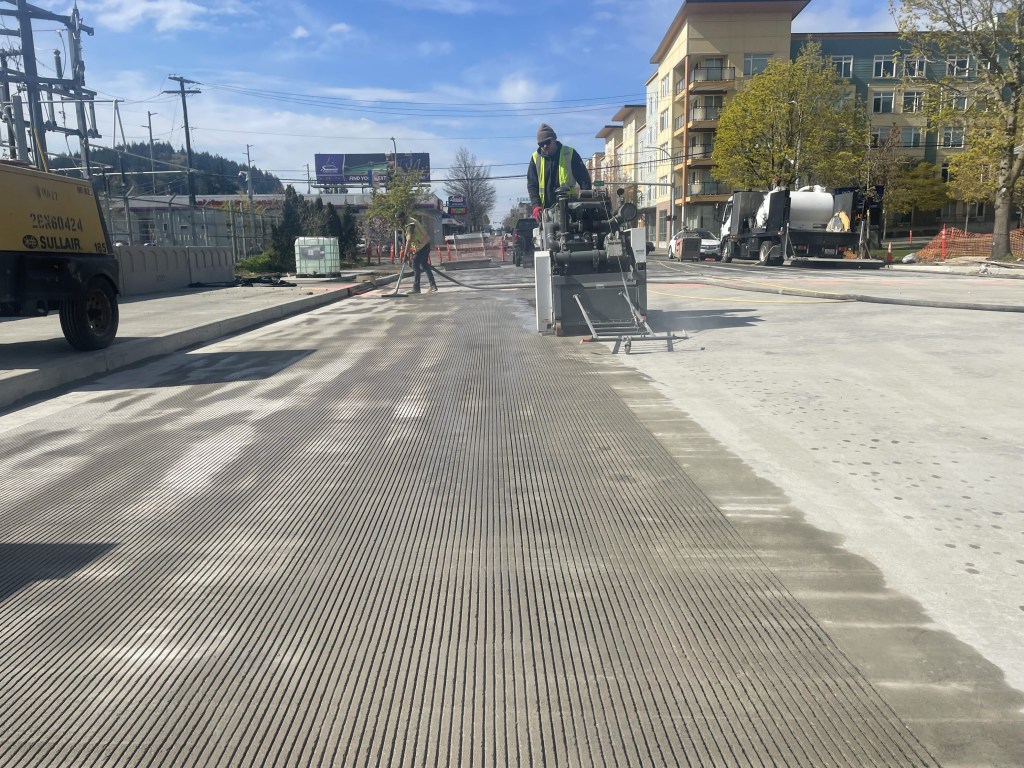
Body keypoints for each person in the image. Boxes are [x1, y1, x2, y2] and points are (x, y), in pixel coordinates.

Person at [527, 123, 592, 221]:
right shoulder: (535, 158)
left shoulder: (569, 154)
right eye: (541, 144)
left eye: (547, 142)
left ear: (554, 139)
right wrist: (536, 206)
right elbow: (532, 185)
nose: (545, 146)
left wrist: (586, 202)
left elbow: (584, 180)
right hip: (546, 213)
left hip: (570, 209)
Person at [399, 210, 437, 294]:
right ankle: (433, 285)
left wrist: (405, 255)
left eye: (400, 220)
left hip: (422, 246)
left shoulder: (410, 225)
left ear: (404, 218)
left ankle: (416, 288)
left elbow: (409, 241)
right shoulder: (411, 221)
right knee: (424, 265)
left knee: (415, 264)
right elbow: (414, 242)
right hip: (424, 244)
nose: (399, 222)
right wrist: (410, 253)